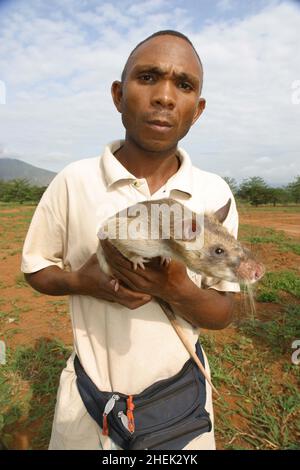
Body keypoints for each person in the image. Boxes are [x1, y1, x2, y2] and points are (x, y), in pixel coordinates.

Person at [21, 30, 240, 450]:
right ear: (119, 95)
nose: (164, 96)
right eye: (148, 77)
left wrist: (175, 289)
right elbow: (35, 269)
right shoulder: (74, 182)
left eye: (184, 85)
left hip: (181, 415)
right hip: (87, 410)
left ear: (198, 110)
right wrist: (80, 282)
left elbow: (222, 312)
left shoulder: (214, 196)